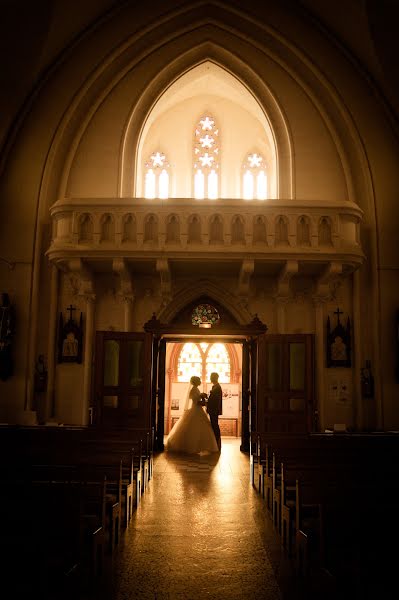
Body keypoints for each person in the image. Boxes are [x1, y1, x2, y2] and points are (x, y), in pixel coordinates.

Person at [166, 375, 218, 455]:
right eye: (199, 380)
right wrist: (203, 400)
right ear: (196, 382)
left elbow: (197, 398)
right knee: (195, 428)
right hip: (196, 409)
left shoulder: (195, 389)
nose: (200, 381)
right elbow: (196, 401)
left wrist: (201, 396)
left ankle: (198, 446)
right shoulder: (194, 389)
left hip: (197, 409)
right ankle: (193, 446)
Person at [207, 372, 223, 450]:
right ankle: (216, 443)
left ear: (214, 378)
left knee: (215, 425)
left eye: (211, 377)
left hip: (214, 410)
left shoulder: (217, 387)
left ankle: (217, 443)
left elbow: (215, 401)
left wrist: (207, 403)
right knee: (214, 425)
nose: (210, 378)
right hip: (213, 410)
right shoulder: (215, 387)